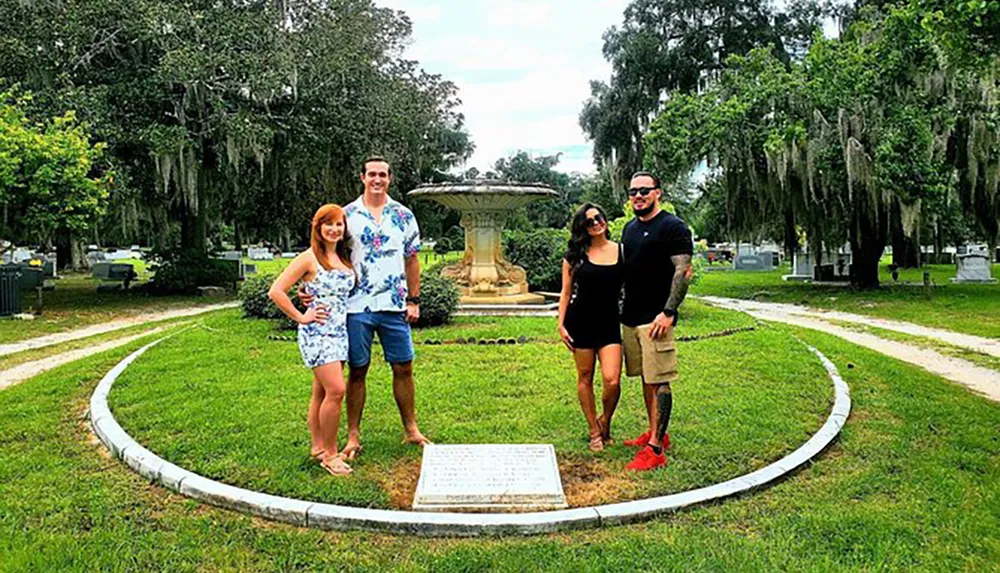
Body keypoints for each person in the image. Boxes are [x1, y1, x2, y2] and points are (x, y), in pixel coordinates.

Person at [299, 156, 430, 460]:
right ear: (362, 177)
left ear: (389, 178)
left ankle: (411, 429)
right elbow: (322, 254)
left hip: (394, 305)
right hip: (355, 307)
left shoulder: (404, 216)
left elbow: (412, 259)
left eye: (382, 174)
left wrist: (414, 299)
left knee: (404, 366)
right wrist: (305, 288)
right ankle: (353, 435)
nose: (377, 180)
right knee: (357, 370)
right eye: (372, 174)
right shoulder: (345, 216)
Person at [269, 204, 356, 476]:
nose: (334, 229)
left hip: (340, 332)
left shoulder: (343, 257)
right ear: (317, 228)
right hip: (318, 333)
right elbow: (276, 291)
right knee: (337, 390)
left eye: (339, 224)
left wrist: (306, 292)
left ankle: (318, 446)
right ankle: (331, 455)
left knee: (321, 391)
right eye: (327, 224)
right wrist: (301, 316)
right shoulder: (308, 258)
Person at [619, 171, 694, 471]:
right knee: (646, 378)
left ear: (658, 193)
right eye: (633, 191)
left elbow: (683, 271)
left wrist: (668, 312)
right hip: (631, 317)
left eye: (644, 191)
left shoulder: (673, 227)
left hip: (656, 318)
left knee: (660, 380)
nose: (638, 196)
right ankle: (655, 433)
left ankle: (656, 450)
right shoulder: (629, 229)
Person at [557, 203, 623, 452]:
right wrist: (561, 324)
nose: (596, 223)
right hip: (580, 322)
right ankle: (594, 431)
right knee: (585, 377)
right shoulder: (575, 256)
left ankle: (605, 420)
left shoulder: (622, 252)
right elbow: (565, 293)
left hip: (609, 323)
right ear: (582, 227)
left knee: (612, 380)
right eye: (589, 221)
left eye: (598, 217)